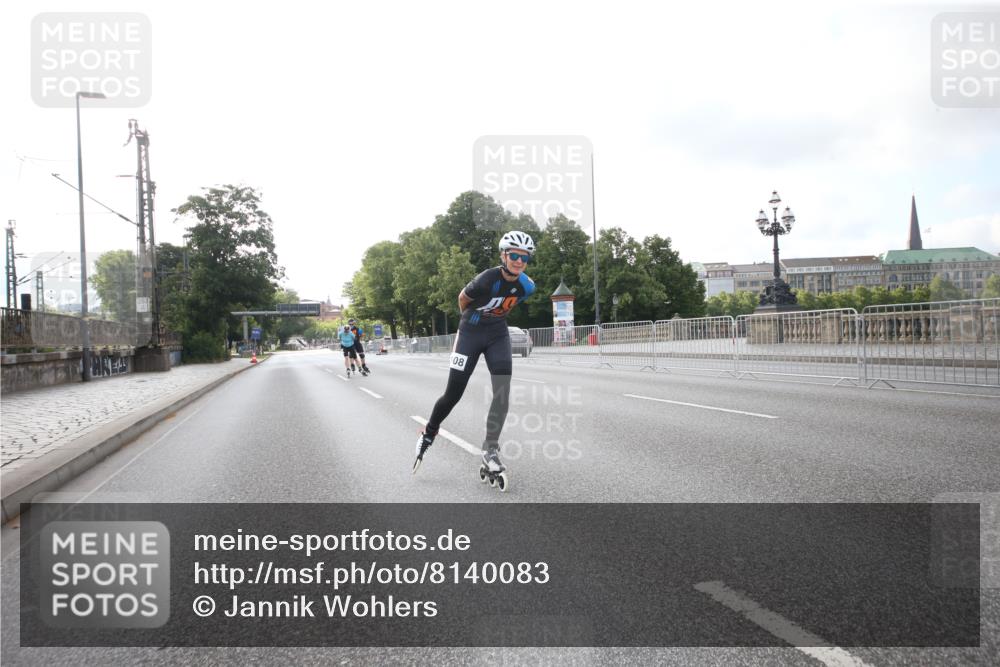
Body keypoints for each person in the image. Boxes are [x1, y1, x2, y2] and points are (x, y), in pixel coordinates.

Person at [413, 230, 536, 484]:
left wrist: (493, 318)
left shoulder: (527, 286)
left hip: (498, 335)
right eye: (514, 255)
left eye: (525, 258)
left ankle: (490, 448)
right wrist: (472, 322)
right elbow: (463, 300)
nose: (519, 262)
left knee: (502, 391)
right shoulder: (485, 279)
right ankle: (429, 431)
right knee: (453, 393)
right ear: (503, 255)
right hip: (470, 332)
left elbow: (508, 304)